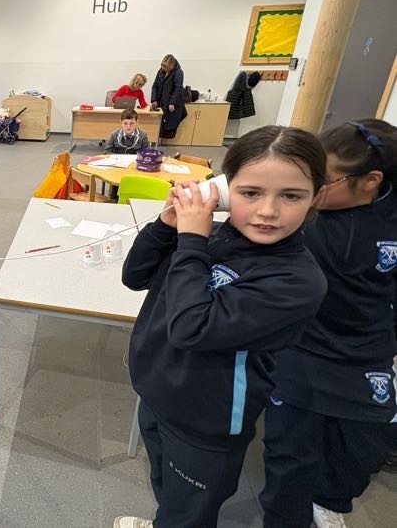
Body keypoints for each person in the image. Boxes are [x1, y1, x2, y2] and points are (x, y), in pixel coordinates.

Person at [114, 125, 328, 528]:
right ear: (225, 190)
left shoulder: (297, 281)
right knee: (165, 486)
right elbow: (135, 275)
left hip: (205, 421)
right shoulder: (212, 235)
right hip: (158, 391)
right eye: (251, 193)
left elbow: (191, 329)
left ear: (315, 197)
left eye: (291, 196)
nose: (268, 211)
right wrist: (167, 224)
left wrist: (191, 241)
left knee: (190, 512)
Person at [260, 119, 397, 528]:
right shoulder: (303, 212)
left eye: (324, 180)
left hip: (366, 350)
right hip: (301, 346)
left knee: (361, 449)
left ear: (371, 181)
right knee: (290, 458)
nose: (311, 188)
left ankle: (328, 502)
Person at [150, 54, 187, 139]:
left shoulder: (178, 72)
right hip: (161, 101)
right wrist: (154, 99)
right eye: (162, 66)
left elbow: (178, 89)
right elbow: (155, 86)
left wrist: (172, 103)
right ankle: (157, 141)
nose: (163, 68)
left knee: (168, 124)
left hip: (171, 102)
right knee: (159, 125)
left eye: (166, 67)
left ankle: (162, 142)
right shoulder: (161, 71)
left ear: (171, 65)